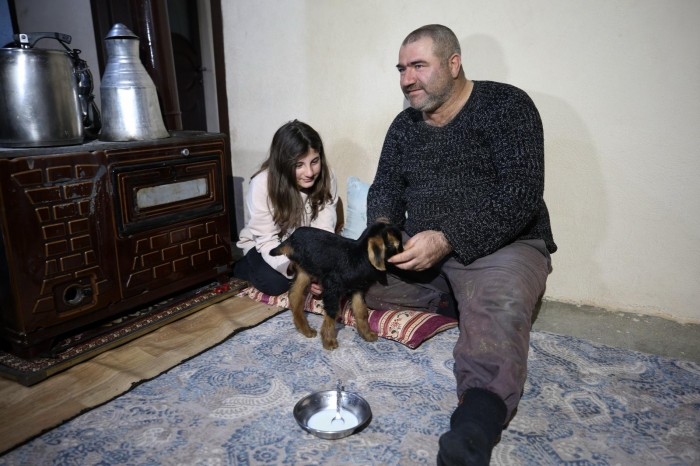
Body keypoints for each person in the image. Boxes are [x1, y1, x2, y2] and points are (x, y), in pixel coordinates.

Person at [364, 25, 557, 466]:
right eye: (401, 69)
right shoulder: (404, 126)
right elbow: (386, 188)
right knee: (354, 276)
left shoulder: (507, 105)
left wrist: (448, 239)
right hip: (421, 247)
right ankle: (453, 300)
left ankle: (475, 425)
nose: (407, 79)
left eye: (418, 66)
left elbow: (521, 194)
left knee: (498, 305)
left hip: (502, 245)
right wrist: (383, 231)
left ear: (453, 64)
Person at [234, 120, 338, 296]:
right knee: (276, 284)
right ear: (283, 163)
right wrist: (300, 272)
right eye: (299, 165)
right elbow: (267, 240)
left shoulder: (327, 177)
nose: (309, 172)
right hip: (265, 245)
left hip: (302, 250)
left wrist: (320, 272)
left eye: (314, 161)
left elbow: (324, 232)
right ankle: (242, 266)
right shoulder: (261, 185)